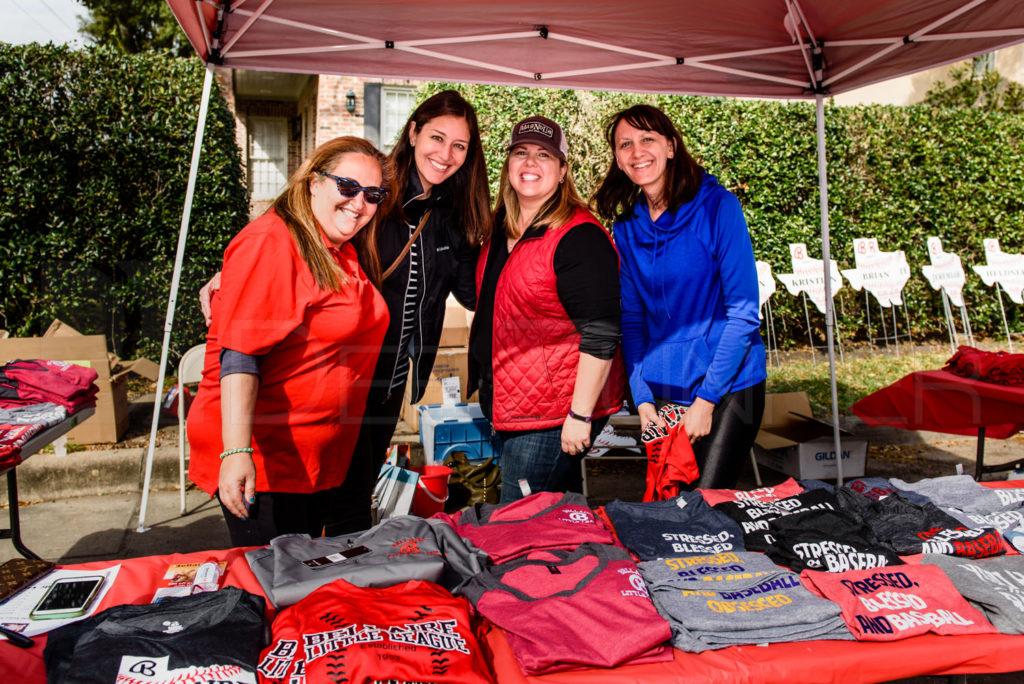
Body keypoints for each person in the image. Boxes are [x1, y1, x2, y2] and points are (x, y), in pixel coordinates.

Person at [200, 90, 490, 533]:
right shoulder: (371, 197)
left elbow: (472, 291)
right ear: (412, 133)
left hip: (379, 387)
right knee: (311, 528)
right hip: (324, 389)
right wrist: (228, 276)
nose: (445, 154)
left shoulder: (450, 214)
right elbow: (288, 243)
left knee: (349, 510)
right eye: (436, 137)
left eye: (459, 146)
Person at [187, 136, 391, 547]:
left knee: (303, 581)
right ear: (313, 182)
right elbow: (240, 355)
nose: (359, 203)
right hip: (271, 459)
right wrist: (235, 452)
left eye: (373, 194)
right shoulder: (274, 242)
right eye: (348, 187)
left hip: (313, 456)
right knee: (274, 587)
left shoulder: (336, 246)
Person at [592, 104, 766, 490]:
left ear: (671, 147)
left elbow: (744, 314)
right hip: (667, 388)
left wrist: (706, 401)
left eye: (647, 139)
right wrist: (642, 399)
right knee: (673, 503)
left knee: (704, 503)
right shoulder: (626, 227)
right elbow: (633, 319)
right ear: (618, 159)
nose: (637, 152)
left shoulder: (719, 207)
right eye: (625, 144)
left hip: (731, 385)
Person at [469, 115, 625, 503]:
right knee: (553, 517)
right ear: (508, 165)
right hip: (512, 403)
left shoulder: (579, 236)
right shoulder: (501, 226)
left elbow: (602, 333)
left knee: (518, 519)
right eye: (521, 153)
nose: (530, 163)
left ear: (562, 170)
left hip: (553, 414)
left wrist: (580, 415)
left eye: (544, 155)